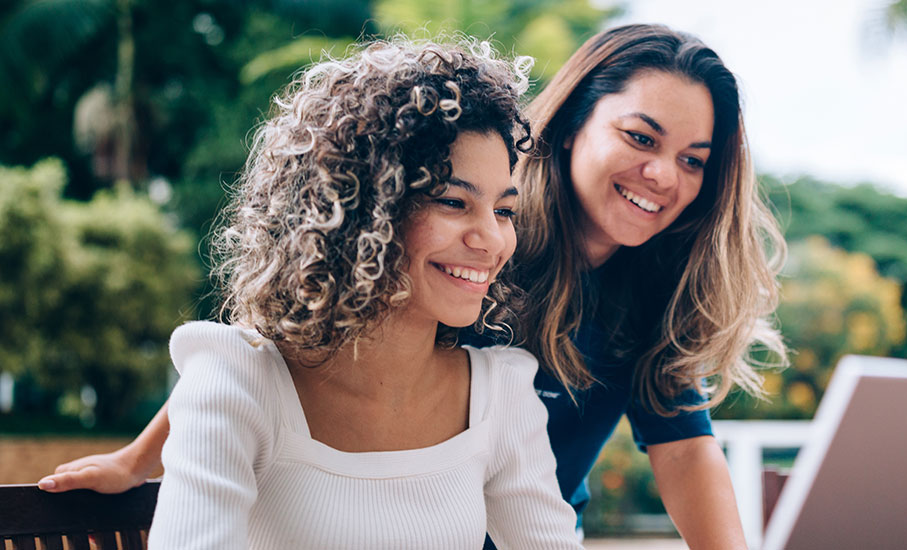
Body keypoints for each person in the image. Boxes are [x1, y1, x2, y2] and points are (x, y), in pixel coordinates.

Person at [42, 24, 786, 550]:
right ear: (569, 127)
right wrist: (139, 459)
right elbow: (269, 353)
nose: (664, 174)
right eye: (640, 137)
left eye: (695, 158)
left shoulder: (648, 293)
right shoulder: (469, 254)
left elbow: (687, 453)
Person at [140, 37, 581, 549]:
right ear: (360, 211)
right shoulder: (237, 381)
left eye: (504, 211)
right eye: (453, 201)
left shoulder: (500, 393)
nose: (492, 240)